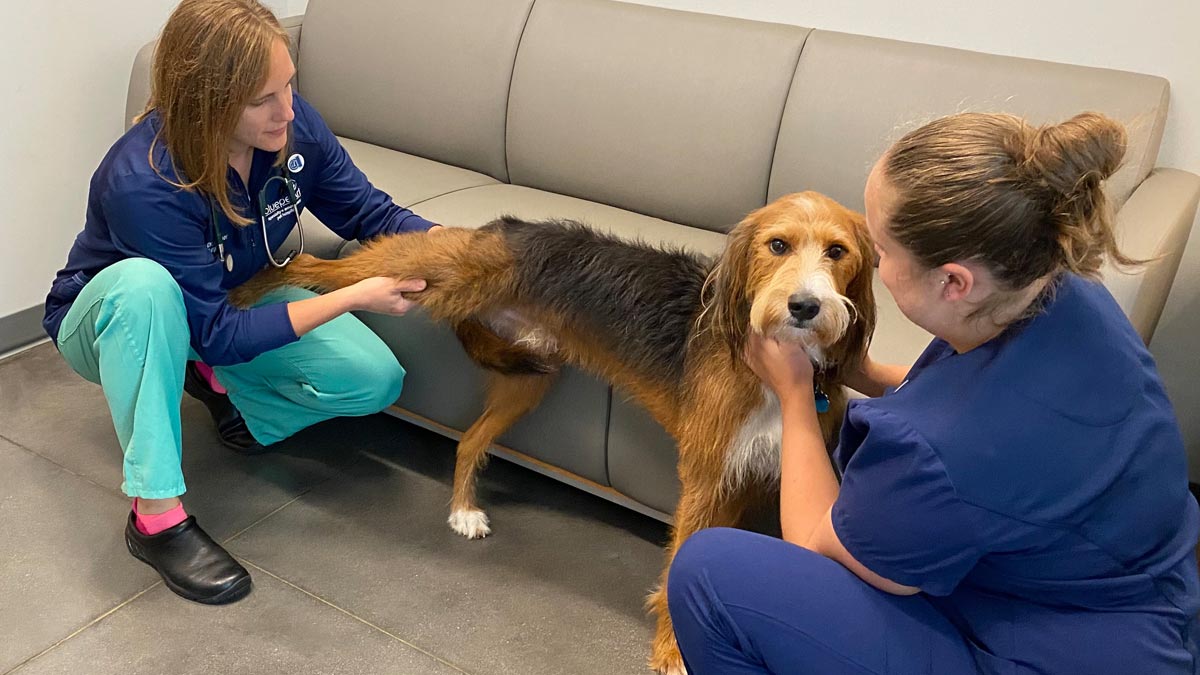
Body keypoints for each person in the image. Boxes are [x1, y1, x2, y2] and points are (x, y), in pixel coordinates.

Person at [667, 111, 1200, 673]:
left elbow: (812, 541)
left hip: (1040, 651)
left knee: (708, 569)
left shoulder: (934, 453)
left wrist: (796, 395)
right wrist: (865, 373)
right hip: (1143, 607)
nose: (875, 264)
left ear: (953, 282)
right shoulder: (1065, 296)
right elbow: (958, 390)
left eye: (880, 251)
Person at [42, 0, 438, 605]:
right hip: (110, 319)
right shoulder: (144, 181)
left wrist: (455, 249)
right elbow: (221, 331)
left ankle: (215, 383)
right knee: (148, 288)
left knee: (373, 380)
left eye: (290, 86)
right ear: (206, 103)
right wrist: (355, 294)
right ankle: (156, 516)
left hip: (229, 300)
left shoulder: (292, 127)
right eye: (262, 100)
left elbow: (368, 212)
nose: (287, 110)